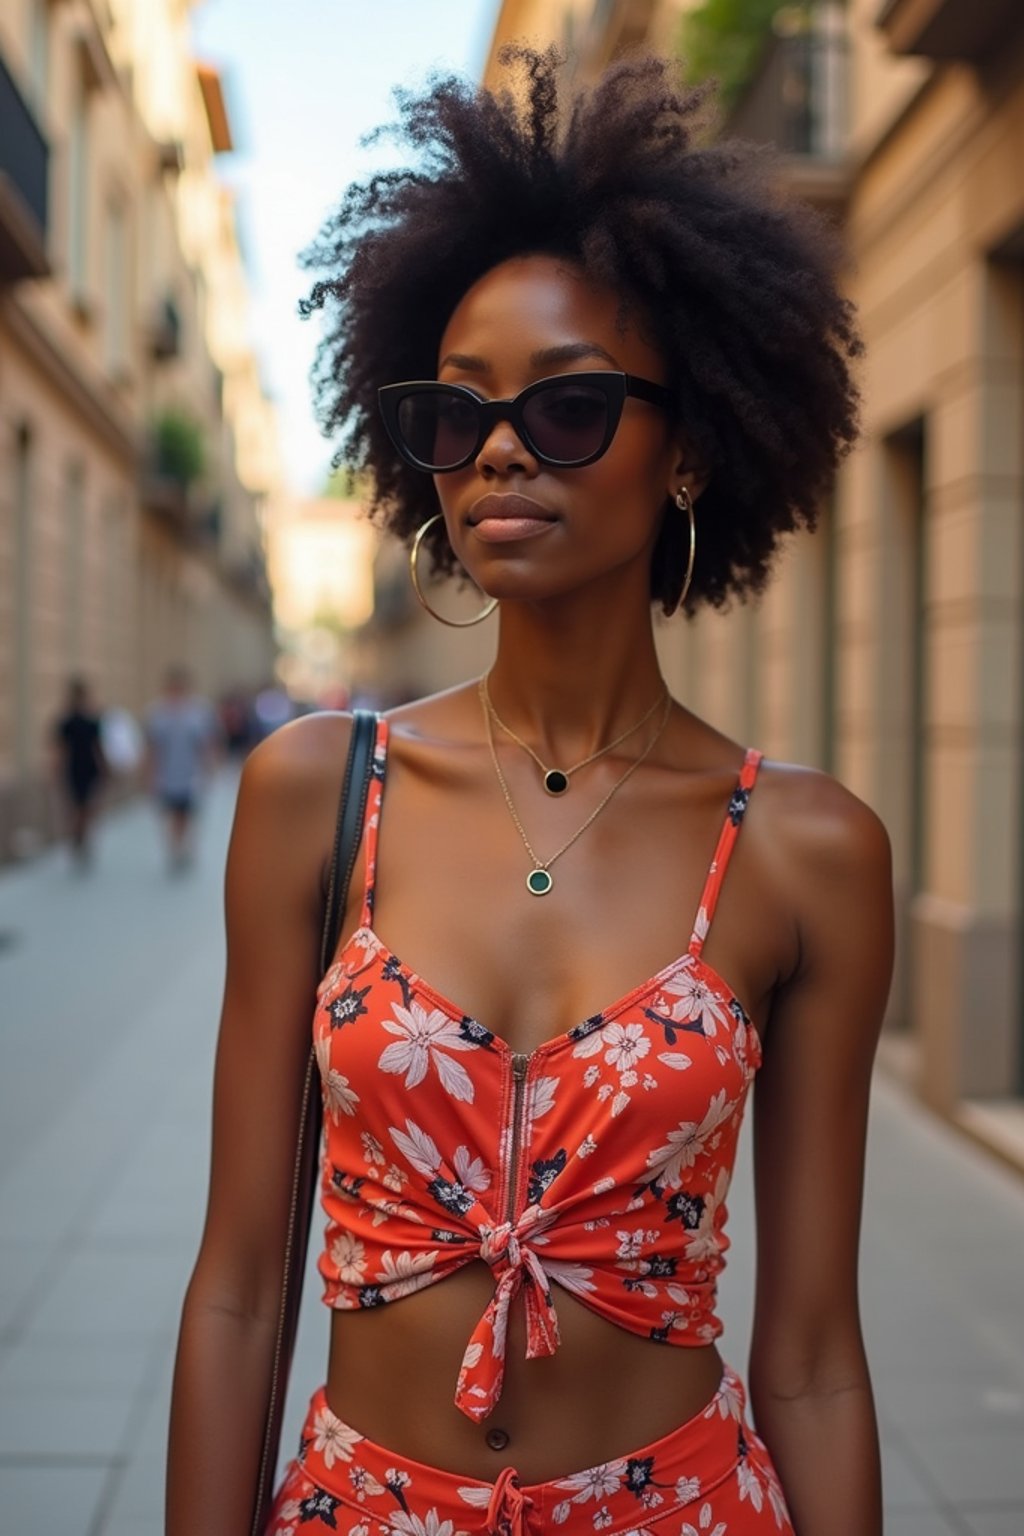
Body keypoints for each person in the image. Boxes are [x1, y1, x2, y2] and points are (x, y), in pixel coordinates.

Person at [167, 49, 893, 1536]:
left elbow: (814, 1360)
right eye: (457, 411)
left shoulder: (810, 851)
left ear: (688, 446)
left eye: (568, 408)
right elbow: (240, 1290)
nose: (501, 447)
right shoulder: (318, 794)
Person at [145, 665, 218, 870]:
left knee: (187, 812)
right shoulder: (158, 713)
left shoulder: (198, 713)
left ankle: (184, 845)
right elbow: (153, 746)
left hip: (190, 772)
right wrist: (149, 773)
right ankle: (175, 847)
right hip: (167, 773)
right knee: (172, 812)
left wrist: (209, 766)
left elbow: (206, 743)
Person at [51, 677, 107, 865]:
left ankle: (80, 837)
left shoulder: (90, 720)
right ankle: (78, 837)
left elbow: (97, 747)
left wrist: (103, 766)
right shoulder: (68, 721)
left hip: (85, 767)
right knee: (79, 806)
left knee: (83, 806)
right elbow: (60, 748)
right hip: (76, 767)